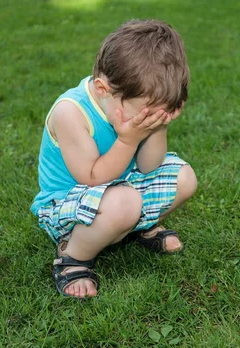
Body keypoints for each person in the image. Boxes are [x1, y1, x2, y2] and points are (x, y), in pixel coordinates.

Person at [30, 20, 198, 298]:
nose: (145, 121)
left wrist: (159, 127)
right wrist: (128, 140)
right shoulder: (70, 113)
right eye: (144, 115)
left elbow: (148, 166)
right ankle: (74, 256)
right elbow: (93, 177)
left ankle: (135, 227)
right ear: (103, 89)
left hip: (119, 189)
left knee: (184, 178)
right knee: (125, 202)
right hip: (66, 204)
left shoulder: (132, 105)